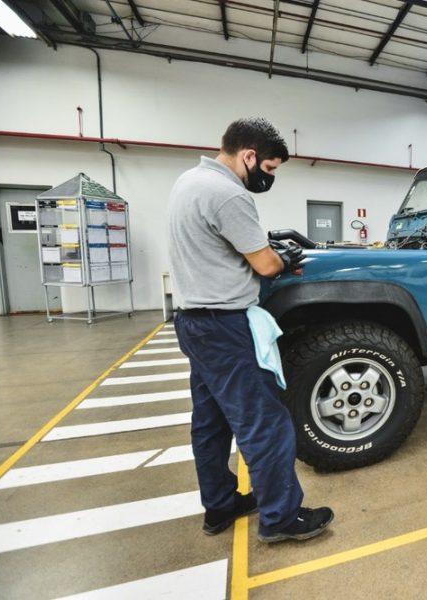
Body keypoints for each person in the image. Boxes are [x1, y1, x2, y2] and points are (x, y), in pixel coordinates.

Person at [168, 117, 333, 543]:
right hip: (224, 326)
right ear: (249, 156)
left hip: (192, 322)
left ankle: (220, 505)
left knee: (211, 422)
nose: (269, 176)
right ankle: (280, 518)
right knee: (265, 423)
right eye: (271, 168)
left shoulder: (189, 181)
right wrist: (282, 256)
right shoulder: (228, 194)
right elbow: (264, 265)